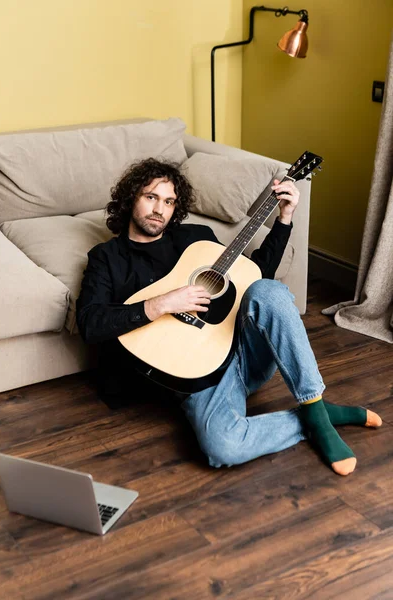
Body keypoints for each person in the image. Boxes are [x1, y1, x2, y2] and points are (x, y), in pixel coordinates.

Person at [76, 157, 382, 477]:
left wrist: (284, 218)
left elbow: (255, 276)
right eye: (150, 197)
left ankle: (313, 402)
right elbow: (90, 323)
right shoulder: (107, 258)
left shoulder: (197, 238)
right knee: (224, 448)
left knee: (269, 291)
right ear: (130, 198)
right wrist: (161, 303)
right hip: (197, 379)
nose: (159, 209)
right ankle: (315, 417)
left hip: (242, 354)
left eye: (169, 201)